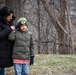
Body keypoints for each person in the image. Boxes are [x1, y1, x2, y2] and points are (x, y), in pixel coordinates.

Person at [0, 6, 15, 75]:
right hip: (1, 49)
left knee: (2, 67)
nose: (10, 18)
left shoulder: (10, 22)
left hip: (5, 50)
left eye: (11, 17)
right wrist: (9, 29)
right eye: (9, 17)